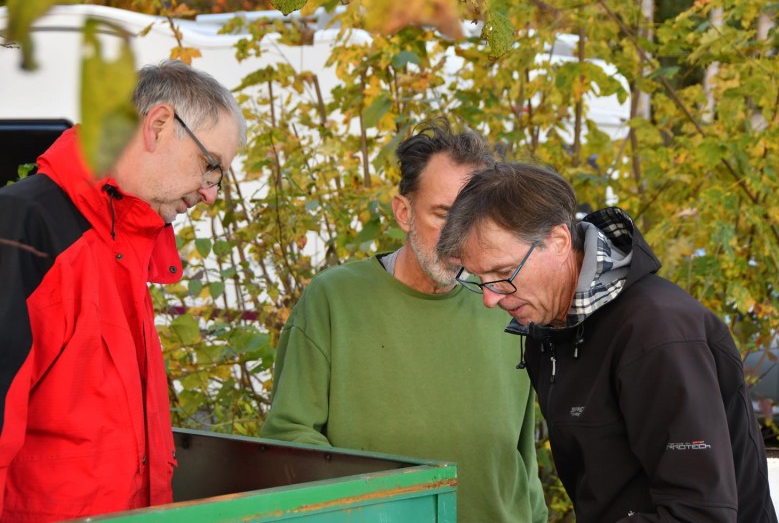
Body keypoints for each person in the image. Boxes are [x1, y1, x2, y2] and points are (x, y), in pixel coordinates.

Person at [436, 161, 778, 523]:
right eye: (480, 279)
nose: (490, 298)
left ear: (559, 242)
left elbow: (699, 514)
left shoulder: (656, 333)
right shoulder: (549, 331)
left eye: (503, 273)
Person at [262, 120, 548, 523]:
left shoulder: (510, 304)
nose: (458, 237)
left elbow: (521, 454)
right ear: (403, 211)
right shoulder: (335, 300)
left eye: (473, 218)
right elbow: (291, 440)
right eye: (443, 214)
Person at [0, 60, 246, 522]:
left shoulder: (126, 246)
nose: (211, 193)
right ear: (158, 125)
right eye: (210, 165)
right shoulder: (24, 227)